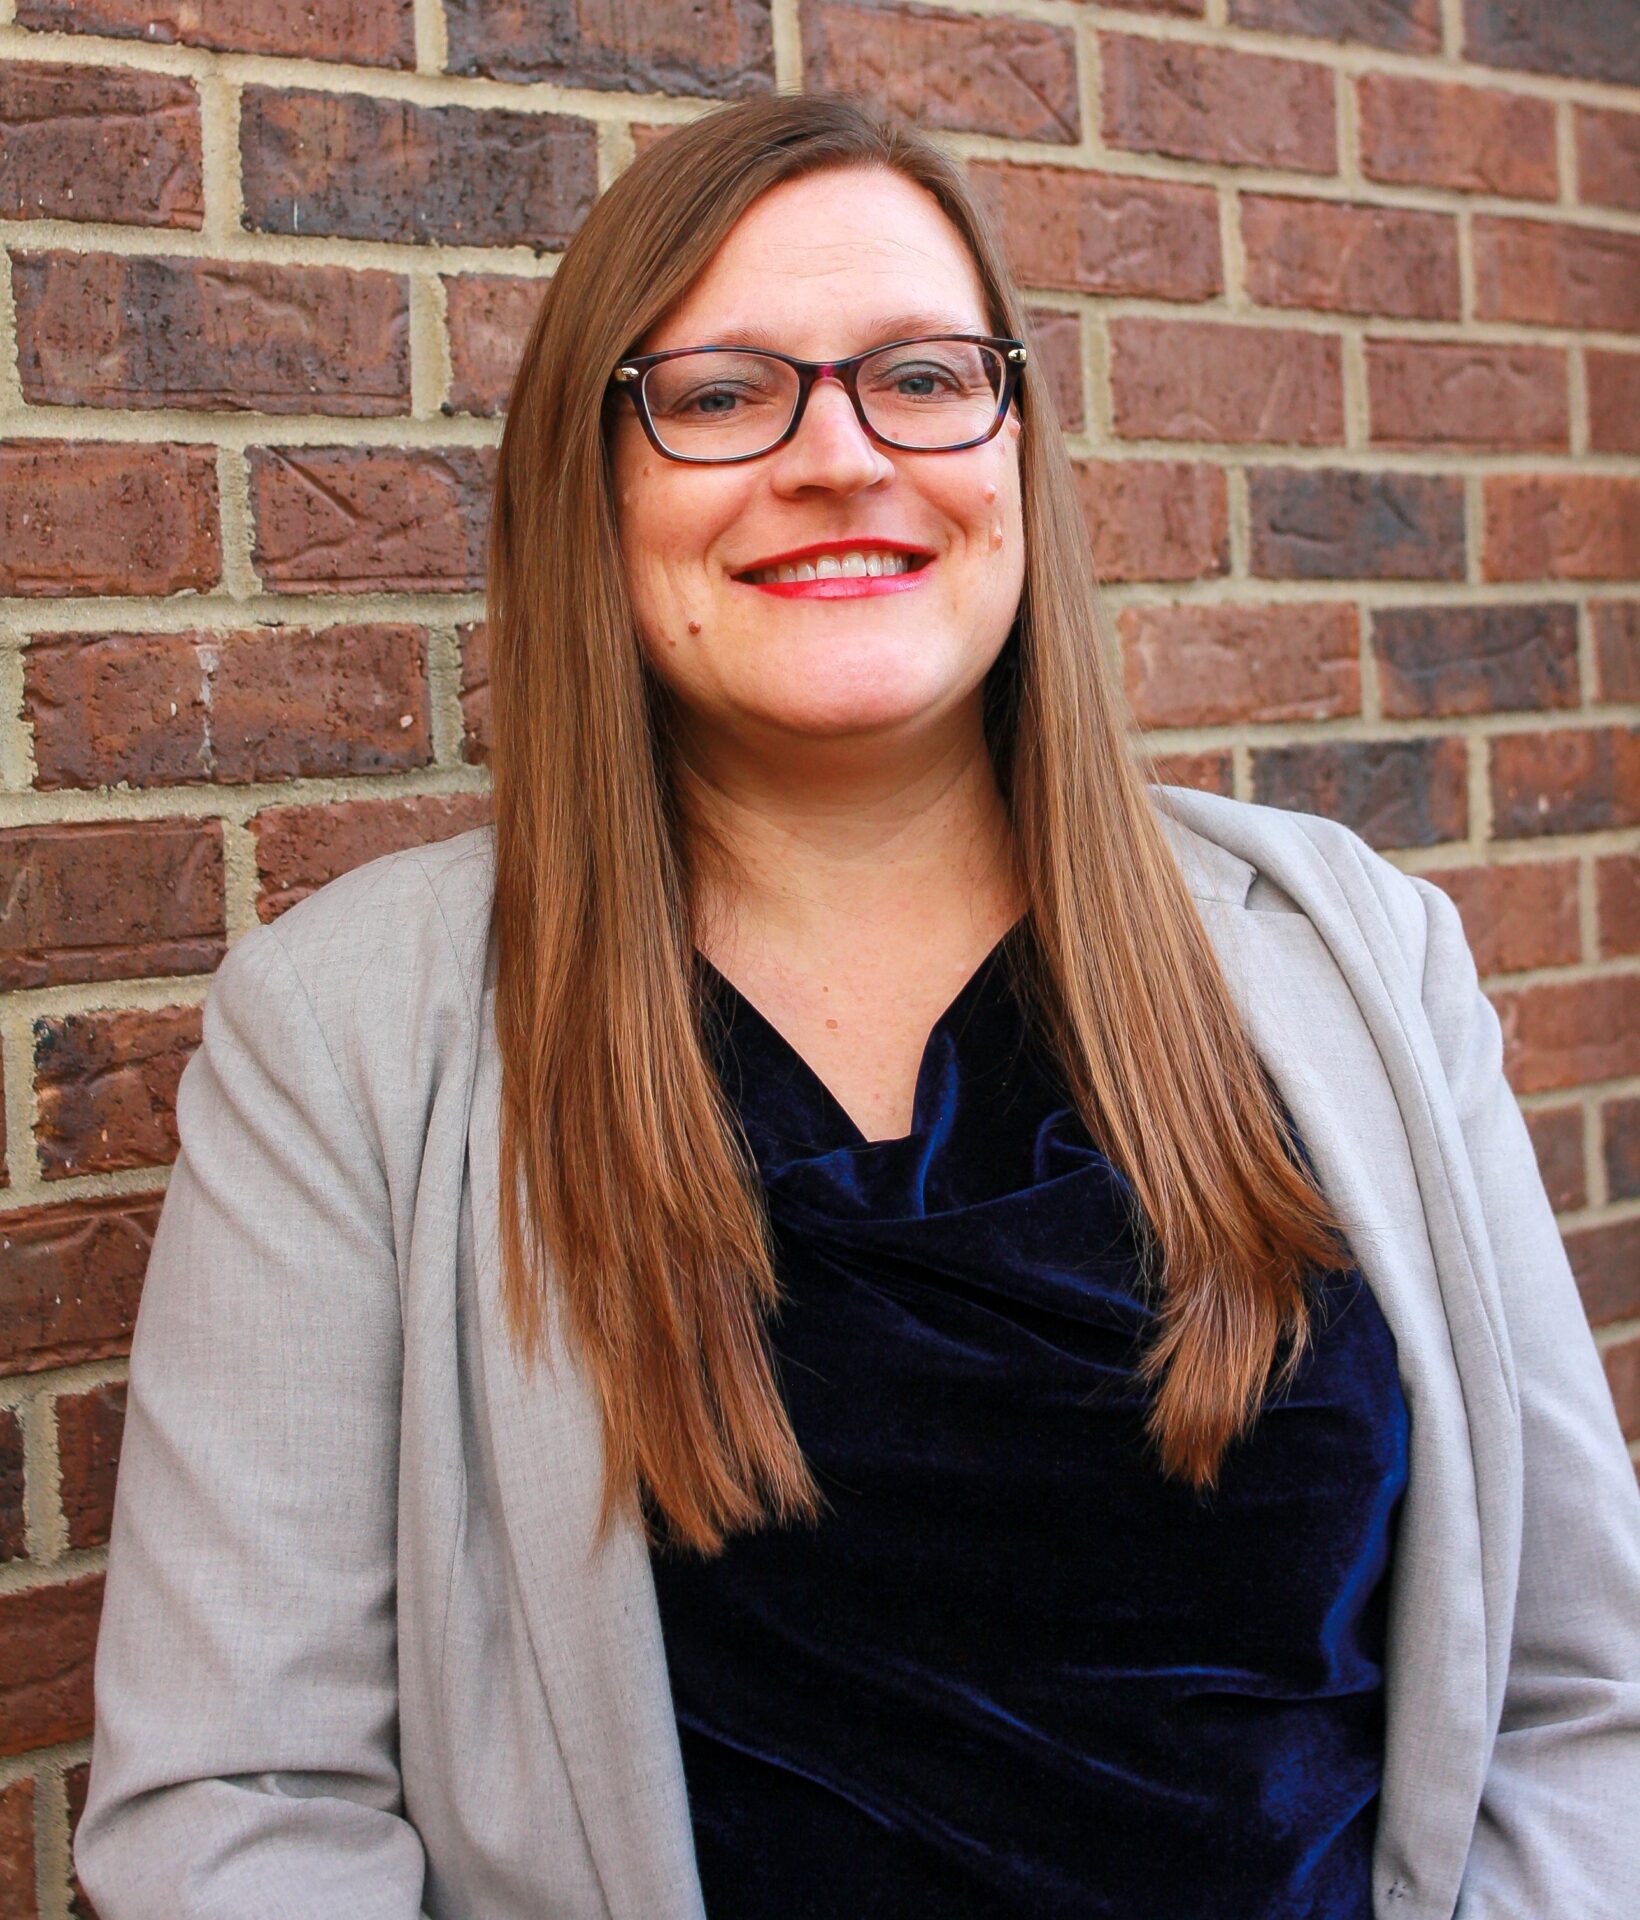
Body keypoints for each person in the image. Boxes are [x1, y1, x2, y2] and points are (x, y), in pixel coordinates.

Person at [76, 92, 1639, 1920]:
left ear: (1017, 448)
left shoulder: (1359, 957)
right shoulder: (349, 1033)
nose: (840, 457)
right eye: (726, 392)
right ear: (594, 484)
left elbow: (1580, 1703)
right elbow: (237, 1808)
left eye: (919, 372)